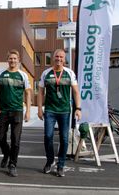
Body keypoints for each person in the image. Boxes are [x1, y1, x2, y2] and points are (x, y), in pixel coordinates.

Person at [37, 49, 81, 177]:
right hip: (50, 110)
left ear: (64, 59)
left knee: (64, 138)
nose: (59, 59)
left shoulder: (69, 73)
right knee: (48, 137)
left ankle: (61, 165)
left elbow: (76, 92)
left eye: (61, 57)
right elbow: (40, 92)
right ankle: (50, 161)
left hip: (65, 111)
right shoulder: (46, 73)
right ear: (53, 57)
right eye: (57, 56)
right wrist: (40, 108)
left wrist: (78, 108)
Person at [0, 49, 31, 177]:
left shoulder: (23, 75)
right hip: (3, 111)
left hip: (17, 111)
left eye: (15, 58)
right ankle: (6, 154)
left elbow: (28, 93)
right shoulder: (0, 74)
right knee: (0, 137)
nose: (12, 60)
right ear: (7, 59)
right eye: (10, 58)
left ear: (18, 60)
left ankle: (12, 164)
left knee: (16, 140)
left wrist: (28, 111)